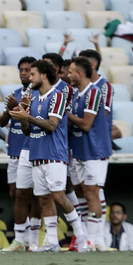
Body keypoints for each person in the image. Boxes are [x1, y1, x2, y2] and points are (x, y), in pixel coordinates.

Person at [9, 60, 88, 252]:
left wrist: (27, 117)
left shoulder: (57, 97)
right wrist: (23, 114)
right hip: (36, 155)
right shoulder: (33, 98)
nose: (30, 77)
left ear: (44, 75)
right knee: (44, 199)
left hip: (54, 155)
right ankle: (52, 241)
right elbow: (28, 132)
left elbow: (52, 125)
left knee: (59, 197)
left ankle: (82, 236)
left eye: (33, 74)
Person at [67, 57, 111, 250]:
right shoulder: (76, 93)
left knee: (92, 192)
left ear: (80, 73)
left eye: (70, 72)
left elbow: (86, 124)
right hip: (79, 150)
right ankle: (88, 236)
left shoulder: (93, 92)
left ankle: (95, 238)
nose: (68, 75)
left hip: (95, 150)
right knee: (81, 192)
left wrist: (64, 113)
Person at [0, 56, 41, 252]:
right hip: (15, 150)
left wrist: (19, 105)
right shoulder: (15, 93)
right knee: (15, 193)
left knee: (34, 195)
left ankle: (32, 239)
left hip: (31, 149)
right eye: (21, 70)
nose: (24, 73)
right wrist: (11, 106)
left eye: (28, 70)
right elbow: (2, 122)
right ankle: (20, 238)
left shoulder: (39, 94)